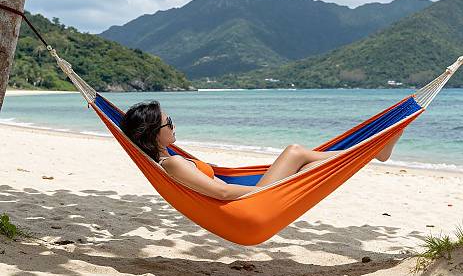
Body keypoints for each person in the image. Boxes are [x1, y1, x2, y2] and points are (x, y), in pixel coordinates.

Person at [120, 101, 403, 201]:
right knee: (295, 152)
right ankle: (369, 151)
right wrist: (265, 193)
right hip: (248, 203)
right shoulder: (172, 164)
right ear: (154, 133)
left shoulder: (169, 159)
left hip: (250, 198)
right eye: (168, 122)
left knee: (305, 164)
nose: (173, 124)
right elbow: (222, 192)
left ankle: (369, 152)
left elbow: (221, 184)